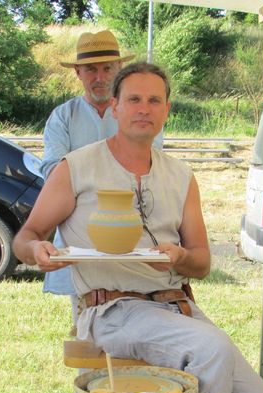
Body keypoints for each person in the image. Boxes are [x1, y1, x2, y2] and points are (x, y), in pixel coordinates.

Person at [13, 62, 263, 393]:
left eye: (154, 100)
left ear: (167, 110)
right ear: (115, 107)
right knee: (212, 349)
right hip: (113, 309)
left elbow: (202, 262)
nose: (144, 108)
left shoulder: (181, 176)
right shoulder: (77, 167)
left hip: (177, 307)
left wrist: (178, 257)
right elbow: (26, 237)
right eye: (134, 99)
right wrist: (37, 251)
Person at [40, 29, 162, 325]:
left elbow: (150, 168)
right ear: (78, 73)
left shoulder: (139, 114)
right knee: (86, 327)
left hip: (131, 235)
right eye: (91, 70)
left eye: (108, 68)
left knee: (139, 324)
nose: (100, 77)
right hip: (79, 238)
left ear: (119, 69)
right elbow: (54, 172)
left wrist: (84, 180)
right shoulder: (63, 116)